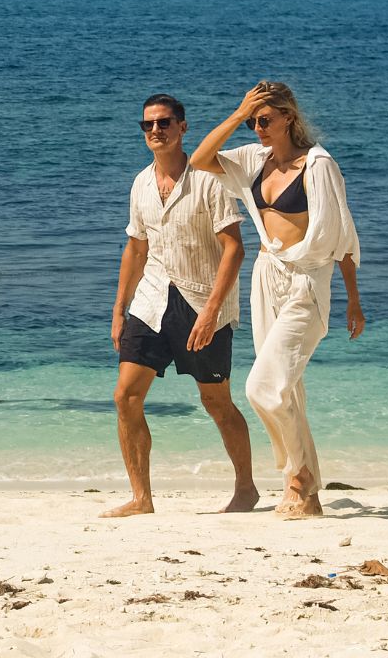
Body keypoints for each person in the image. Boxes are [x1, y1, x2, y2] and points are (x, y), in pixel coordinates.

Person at [190, 81, 365, 519]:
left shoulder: (319, 165)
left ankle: (299, 474)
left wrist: (354, 300)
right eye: (253, 120)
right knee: (288, 388)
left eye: (265, 118)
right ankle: (305, 492)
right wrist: (236, 114)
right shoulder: (253, 159)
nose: (258, 127)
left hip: (307, 281)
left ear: (289, 116)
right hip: (267, 277)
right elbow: (200, 159)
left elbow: (341, 235)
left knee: (263, 387)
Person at [102, 93, 259, 518]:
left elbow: (234, 250)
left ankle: (246, 488)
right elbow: (135, 249)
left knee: (216, 403)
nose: (156, 130)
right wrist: (119, 309)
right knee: (125, 396)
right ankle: (142, 498)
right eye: (148, 125)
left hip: (202, 304)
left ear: (183, 127)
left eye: (165, 123)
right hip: (151, 300)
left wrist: (210, 312)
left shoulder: (210, 180)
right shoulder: (140, 183)